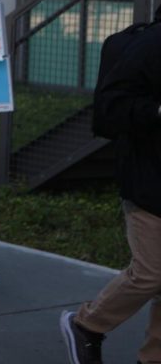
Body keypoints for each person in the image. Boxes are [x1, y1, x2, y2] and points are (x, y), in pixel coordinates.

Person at [60, 19, 161, 364]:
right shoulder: (150, 45)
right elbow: (110, 108)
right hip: (149, 180)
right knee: (151, 273)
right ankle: (87, 324)